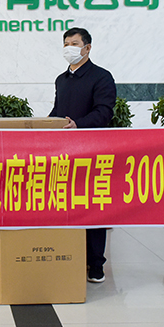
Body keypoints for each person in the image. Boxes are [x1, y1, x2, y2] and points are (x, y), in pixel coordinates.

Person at [49, 27, 117, 283]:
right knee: (65, 204)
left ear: (87, 48)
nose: (70, 48)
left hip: (92, 152)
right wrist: (44, 126)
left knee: (92, 206)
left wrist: (78, 124)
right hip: (64, 153)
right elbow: (57, 111)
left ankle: (96, 263)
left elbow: (104, 112)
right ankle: (71, 256)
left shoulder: (102, 77)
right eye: (66, 43)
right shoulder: (61, 79)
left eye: (75, 43)